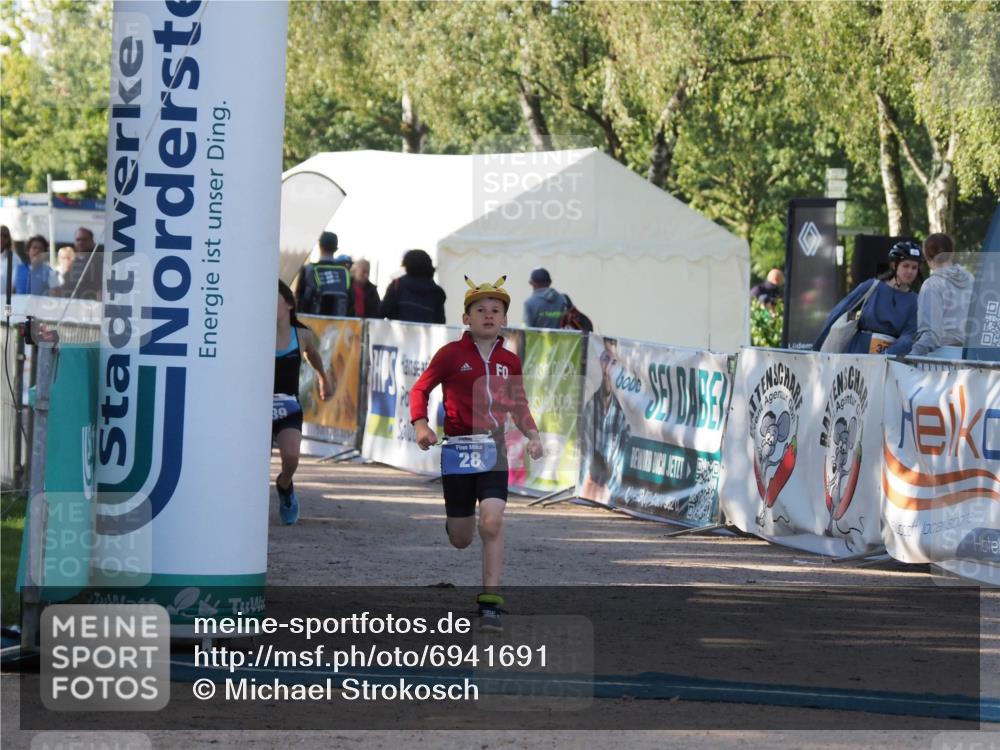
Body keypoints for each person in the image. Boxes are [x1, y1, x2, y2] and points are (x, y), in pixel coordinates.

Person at [410, 275, 543, 631]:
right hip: (456, 449)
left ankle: (490, 604)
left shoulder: (509, 361)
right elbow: (420, 390)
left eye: (495, 310)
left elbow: (518, 404)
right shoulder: (450, 355)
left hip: (494, 448)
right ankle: (457, 522)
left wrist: (533, 434)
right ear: (466, 318)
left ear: (504, 319)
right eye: (480, 309)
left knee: (493, 520)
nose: (488, 315)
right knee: (461, 538)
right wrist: (421, 424)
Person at [274, 280, 332, 525]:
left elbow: (313, 355)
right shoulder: (252, 333)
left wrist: (322, 378)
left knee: (292, 457)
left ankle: (284, 486)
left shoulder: (303, 334)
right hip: (253, 409)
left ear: (288, 304)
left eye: (273, 298)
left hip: (288, 407)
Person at [813, 240, 920, 355]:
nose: (910, 271)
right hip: (858, 353)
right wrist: (817, 348)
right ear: (894, 265)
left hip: (888, 361)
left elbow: (910, 334)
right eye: (906, 266)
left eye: (914, 268)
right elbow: (839, 312)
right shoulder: (872, 286)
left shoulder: (915, 300)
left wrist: (887, 356)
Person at [578, 338, 631, 504]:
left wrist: (606, 491)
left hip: (609, 494)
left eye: (614, 361)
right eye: (605, 358)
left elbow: (618, 475)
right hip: (590, 490)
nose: (608, 367)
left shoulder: (623, 414)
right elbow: (584, 460)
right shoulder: (591, 406)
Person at [909, 233, 974, 359]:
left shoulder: (931, 285)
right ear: (952, 253)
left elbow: (931, 334)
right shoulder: (971, 279)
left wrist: (910, 357)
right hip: (971, 358)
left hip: (942, 361)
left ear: (926, 256)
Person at [379, 249, 446, 323]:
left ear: (407, 265)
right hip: (425, 334)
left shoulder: (397, 285)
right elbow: (440, 323)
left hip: (398, 334)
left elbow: (382, 312)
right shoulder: (437, 292)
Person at [295, 231, 353, 316]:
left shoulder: (308, 270)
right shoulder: (345, 273)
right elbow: (351, 305)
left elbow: (299, 300)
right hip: (339, 326)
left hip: (312, 324)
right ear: (336, 249)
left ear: (320, 246)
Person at [53, 227, 102, 300]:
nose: (80, 242)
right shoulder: (74, 261)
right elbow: (68, 284)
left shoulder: (99, 261)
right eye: (78, 240)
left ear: (92, 242)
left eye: (84, 240)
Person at [1, 225, 24, 298]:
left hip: (5, 303)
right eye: (0, 235)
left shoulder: (14, 259)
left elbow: (19, 283)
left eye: (5, 236)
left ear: (8, 239)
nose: (2, 238)